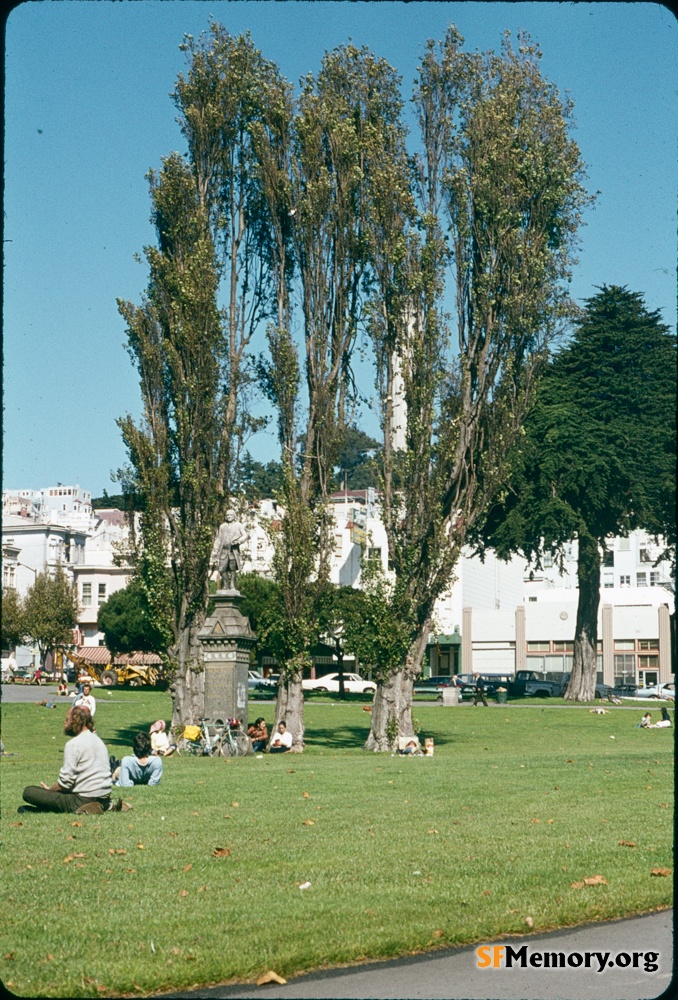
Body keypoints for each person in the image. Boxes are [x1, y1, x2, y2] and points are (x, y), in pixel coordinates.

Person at [20, 705, 124, 814]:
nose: (64, 723)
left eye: (67, 720)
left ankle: (87, 808)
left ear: (76, 721)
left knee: (29, 791)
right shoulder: (99, 741)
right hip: (104, 798)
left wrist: (49, 792)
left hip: (84, 799)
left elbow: (65, 783)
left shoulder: (73, 744)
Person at [210, 510, 249, 591]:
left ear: (234, 516)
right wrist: (214, 551)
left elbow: (245, 535)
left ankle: (232, 585)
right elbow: (219, 539)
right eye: (227, 515)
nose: (228, 516)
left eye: (230, 515)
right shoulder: (222, 526)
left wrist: (239, 541)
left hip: (233, 550)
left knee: (232, 569)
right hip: (224, 550)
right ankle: (226, 584)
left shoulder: (238, 525)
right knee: (221, 569)